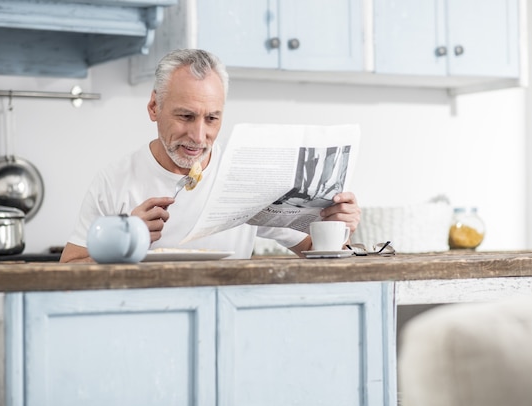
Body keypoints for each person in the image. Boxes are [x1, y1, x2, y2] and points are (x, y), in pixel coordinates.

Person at [60, 49, 361, 263]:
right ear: (154, 107)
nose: (199, 136)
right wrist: (124, 240)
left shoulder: (246, 174)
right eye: (186, 116)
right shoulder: (115, 180)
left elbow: (320, 252)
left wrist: (337, 225)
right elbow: (67, 273)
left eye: (212, 119)